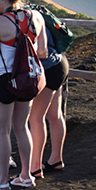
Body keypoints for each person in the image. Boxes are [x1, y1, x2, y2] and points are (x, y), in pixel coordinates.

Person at [0, 0, 47, 190]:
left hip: (3, 79)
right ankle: (26, 176)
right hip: (27, 79)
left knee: (2, 131)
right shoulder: (36, 17)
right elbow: (42, 51)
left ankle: (2, 181)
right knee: (22, 127)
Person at [27, 12, 70, 179]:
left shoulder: (21, 17)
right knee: (55, 114)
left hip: (47, 67)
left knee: (35, 119)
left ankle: (35, 168)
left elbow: (41, 52)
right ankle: (56, 160)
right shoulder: (36, 12)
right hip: (59, 63)